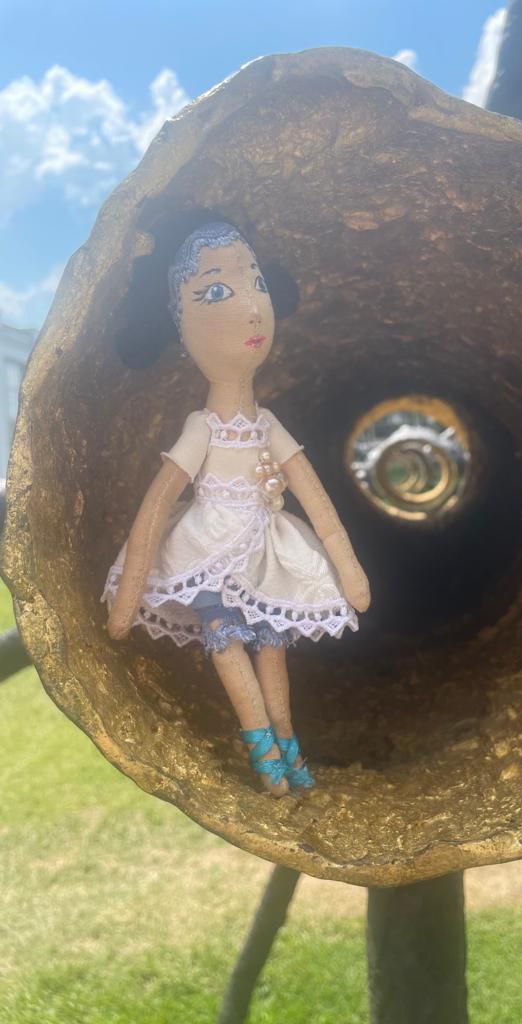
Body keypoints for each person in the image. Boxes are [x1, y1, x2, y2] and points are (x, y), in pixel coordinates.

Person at [102, 221, 370, 798]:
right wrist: (130, 590)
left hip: (266, 548)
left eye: (258, 285)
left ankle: (287, 743)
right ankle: (266, 753)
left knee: (271, 643)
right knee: (225, 639)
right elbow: (159, 503)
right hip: (209, 546)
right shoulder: (202, 428)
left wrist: (348, 568)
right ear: (181, 327)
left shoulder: (266, 425)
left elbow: (315, 498)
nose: (251, 309)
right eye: (217, 291)